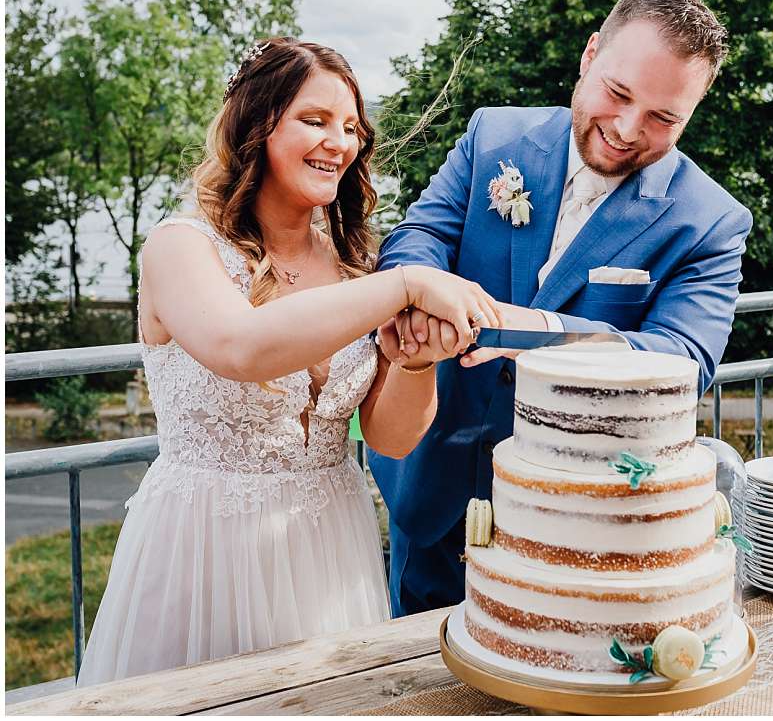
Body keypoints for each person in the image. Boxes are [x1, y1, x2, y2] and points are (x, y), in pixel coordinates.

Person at [76, 39, 500, 686]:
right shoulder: (179, 246)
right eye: (315, 119)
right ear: (259, 120)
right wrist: (407, 284)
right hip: (204, 546)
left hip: (329, 542)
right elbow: (242, 346)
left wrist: (418, 362)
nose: (340, 141)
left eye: (352, 127)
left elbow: (389, 435)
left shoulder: (356, 263)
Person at [367, 0, 753, 616]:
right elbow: (420, 235)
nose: (628, 130)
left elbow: (684, 359)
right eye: (619, 94)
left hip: (581, 523)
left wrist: (526, 328)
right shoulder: (494, 136)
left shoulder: (710, 222)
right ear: (590, 54)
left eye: (664, 118)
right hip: (431, 481)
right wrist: (420, 296)